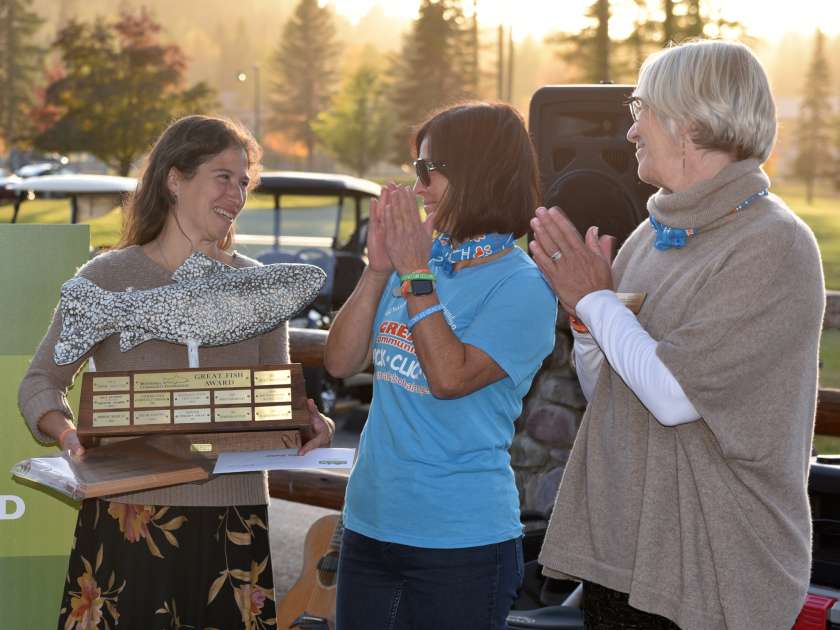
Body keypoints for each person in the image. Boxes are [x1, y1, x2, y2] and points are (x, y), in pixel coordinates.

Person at [531, 40, 825, 630]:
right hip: (625, 560)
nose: (630, 130)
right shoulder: (651, 234)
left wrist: (596, 299)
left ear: (689, 123)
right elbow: (611, 392)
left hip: (715, 569)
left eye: (640, 108)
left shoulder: (773, 244)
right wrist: (586, 324)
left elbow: (674, 398)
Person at [18, 115, 334, 630]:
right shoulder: (107, 276)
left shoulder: (260, 286)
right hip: (128, 517)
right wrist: (69, 435)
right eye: (222, 177)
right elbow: (40, 383)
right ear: (174, 179)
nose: (237, 194)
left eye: (244, 182)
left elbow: (273, 402)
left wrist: (311, 425)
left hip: (235, 523)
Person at [324, 102, 557, 629]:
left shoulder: (522, 285)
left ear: (478, 173)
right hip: (370, 524)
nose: (419, 187)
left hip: (460, 544)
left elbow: (450, 378)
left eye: (429, 170)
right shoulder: (421, 261)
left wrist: (413, 273)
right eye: (416, 170)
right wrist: (378, 268)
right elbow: (340, 361)